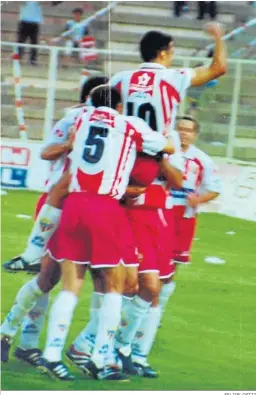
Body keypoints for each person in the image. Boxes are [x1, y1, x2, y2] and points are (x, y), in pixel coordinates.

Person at [71, 22, 227, 378]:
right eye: (170, 50)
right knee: (128, 282)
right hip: (150, 173)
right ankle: (93, 346)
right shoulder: (172, 78)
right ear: (165, 50)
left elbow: (103, 109)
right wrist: (218, 38)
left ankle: (117, 348)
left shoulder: (122, 79)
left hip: (137, 175)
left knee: (142, 284)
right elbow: (218, 69)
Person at [35, 84, 175, 381]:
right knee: (114, 285)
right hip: (104, 207)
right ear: (121, 106)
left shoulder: (80, 118)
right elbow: (168, 147)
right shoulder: (128, 125)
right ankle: (100, 358)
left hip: (74, 204)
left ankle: (51, 355)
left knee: (70, 286)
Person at [0, 76, 109, 367]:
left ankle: (16, 336)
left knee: (54, 279)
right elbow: (47, 151)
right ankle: (24, 340)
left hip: (89, 208)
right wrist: (70, 145)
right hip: (59, 204)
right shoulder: (73, 118)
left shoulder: (116, 124)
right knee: (47, 277)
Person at [172, 116, 222, 265]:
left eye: (188, 130)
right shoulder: (165, 153)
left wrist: (198, 200)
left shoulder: (203, 160)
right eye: (180, 129)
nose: (183, 133)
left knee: (175, 263)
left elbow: (216, 189)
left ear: (195, 135)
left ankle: (165, 288)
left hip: (184, 215)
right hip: (160, 210)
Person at [17, 1, 43, 66]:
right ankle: (18, 59)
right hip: (25, 20)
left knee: (34, 43)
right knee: (20, 42)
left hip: (35, 22)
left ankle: (33, 61)